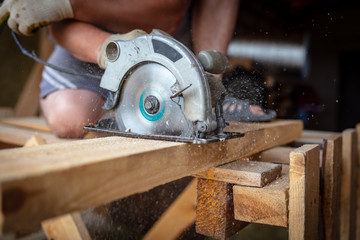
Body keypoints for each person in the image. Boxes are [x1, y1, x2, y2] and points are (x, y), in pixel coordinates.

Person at [1, 0, 274, 138]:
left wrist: (69, 3)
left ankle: (208, 90)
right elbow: (57, 23)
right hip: (88, 39)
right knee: (70, 119)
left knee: (198, 112)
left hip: (167, 35)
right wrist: (108, 49)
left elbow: (169, 11)